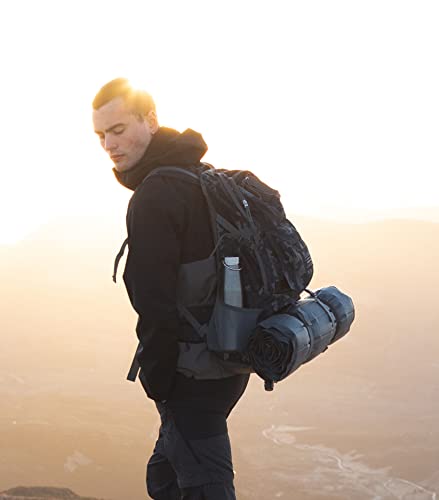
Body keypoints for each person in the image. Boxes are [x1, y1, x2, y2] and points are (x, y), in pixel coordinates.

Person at [92, 78, 249, 499]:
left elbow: (155, 303)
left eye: (119, 129)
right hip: (228, 358)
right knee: (164, 478)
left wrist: (159, 379)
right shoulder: (199, 176)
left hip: (190, 371)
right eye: (101, 135)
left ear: (151, 121)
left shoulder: (155, 196)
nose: (109, 144)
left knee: (205, 486)